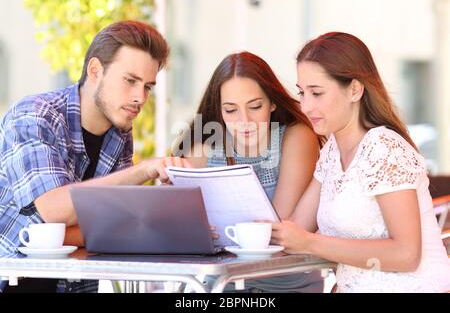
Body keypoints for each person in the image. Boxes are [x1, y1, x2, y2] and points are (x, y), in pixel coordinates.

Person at [0, 20, 190, 293]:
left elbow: (115, 226)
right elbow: (53, 210)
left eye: (147, 86)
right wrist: (142, 172)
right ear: (95, 70)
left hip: (69, 285)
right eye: (130, 81)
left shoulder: (119, 132)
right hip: (11, 281)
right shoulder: (34, 115)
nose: (140, 98)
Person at [271, 32, 450, 292]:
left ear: (354, 90)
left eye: (317, 93)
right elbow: (298, 228)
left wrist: (309, 242)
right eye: (302, 93)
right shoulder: (332, 151)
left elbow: (406, 255)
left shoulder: (384, 148)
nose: (306, 106)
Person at [174, 51, 324, 292]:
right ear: (219, 110)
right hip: (218, 287)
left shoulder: (296, 137)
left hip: (285, 286)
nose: (245, 120)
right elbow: (173, 228)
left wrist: (209, 235)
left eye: (255, 106)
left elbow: (276, 231)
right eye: (231, 110)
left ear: (273, 102)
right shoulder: (204, 148)